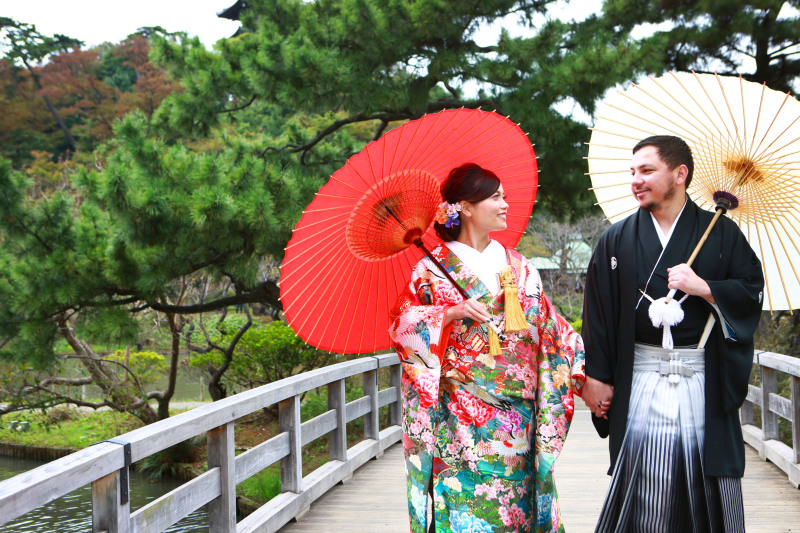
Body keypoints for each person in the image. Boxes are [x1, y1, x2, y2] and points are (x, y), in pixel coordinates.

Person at [389, 163, 586, 533]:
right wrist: (448, 313)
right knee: (464, 507)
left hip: (517, 418)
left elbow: (552, 329)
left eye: (504, 196)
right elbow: (402, 326)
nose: (504, 204)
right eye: (495, 197)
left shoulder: (521, 267)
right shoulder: (429, 270)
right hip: (459, 416)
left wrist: (587, 375)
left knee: (516, 510)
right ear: (465, 207)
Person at [581, 135, 764, 532]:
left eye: (647, 170)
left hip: (702, 377)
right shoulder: (616, 239)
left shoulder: (722, 235)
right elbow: (596, 312)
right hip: (641, 376)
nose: (636, 180)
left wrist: (705, 287)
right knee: (648, 483)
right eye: (633, 172)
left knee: (708, 481)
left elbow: (751, 292)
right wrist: (596, 377)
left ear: (680, 174)